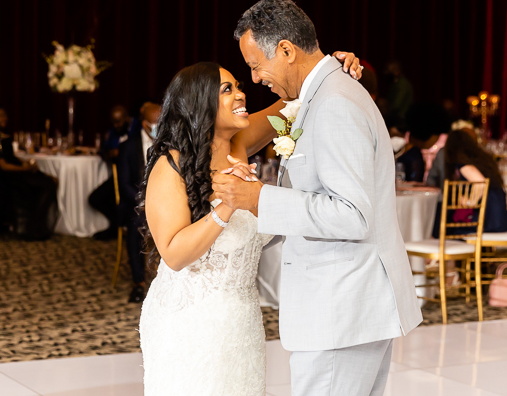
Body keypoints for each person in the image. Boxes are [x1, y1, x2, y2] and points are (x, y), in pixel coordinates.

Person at [212, 0, 422, 396]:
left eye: (256, 66)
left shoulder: (334, 103)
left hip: (341, 310)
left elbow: (352, 215)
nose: (254, 79)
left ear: (287, 50)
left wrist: (259, 198)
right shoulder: (322, 94)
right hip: (347, 307)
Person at [138, 48, 364, 396]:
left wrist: (337, 65)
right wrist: (225, 208)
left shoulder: (238, 140)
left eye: (238, 85)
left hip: (241, 322)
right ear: (200, 103)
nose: (241, 93)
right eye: (227, 89)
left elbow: (302, 92)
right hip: (187, 323)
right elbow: (174, 254)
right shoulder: (170, 166)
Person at [0, 105, 59, 240]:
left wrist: (23, 163)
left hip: (10, 176)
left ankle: (34, 225)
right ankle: (33, 227)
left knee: (46, 180)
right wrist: (26, 168)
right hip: (7, 179)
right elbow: (4, 166)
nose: (3, 118)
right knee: (47, 184)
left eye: (4, 115)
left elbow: (9, 157)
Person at [116, 102, 161, 303]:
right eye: (156, 123)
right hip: (137, 204)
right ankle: (138, 283)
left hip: (167, 203)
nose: (160, 126)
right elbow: (124, 183)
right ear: (145, 125)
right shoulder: (128, 146)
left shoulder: (174, 144)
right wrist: (144, 202)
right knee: (135, 225)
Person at [431, 129, 507, 235]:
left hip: (488, 220)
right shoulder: (482, 160)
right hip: (498, 218)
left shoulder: (464, 165)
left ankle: (435, 244)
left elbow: (481, 183)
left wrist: (469, 202)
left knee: (442, 220)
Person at [383, 60, 414, 130]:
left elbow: (396, 105)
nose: (386, 73)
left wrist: (385, 110)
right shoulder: (396, 83)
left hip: (400, 121)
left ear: (396, 71)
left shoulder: (401, 84)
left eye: (388, 71)